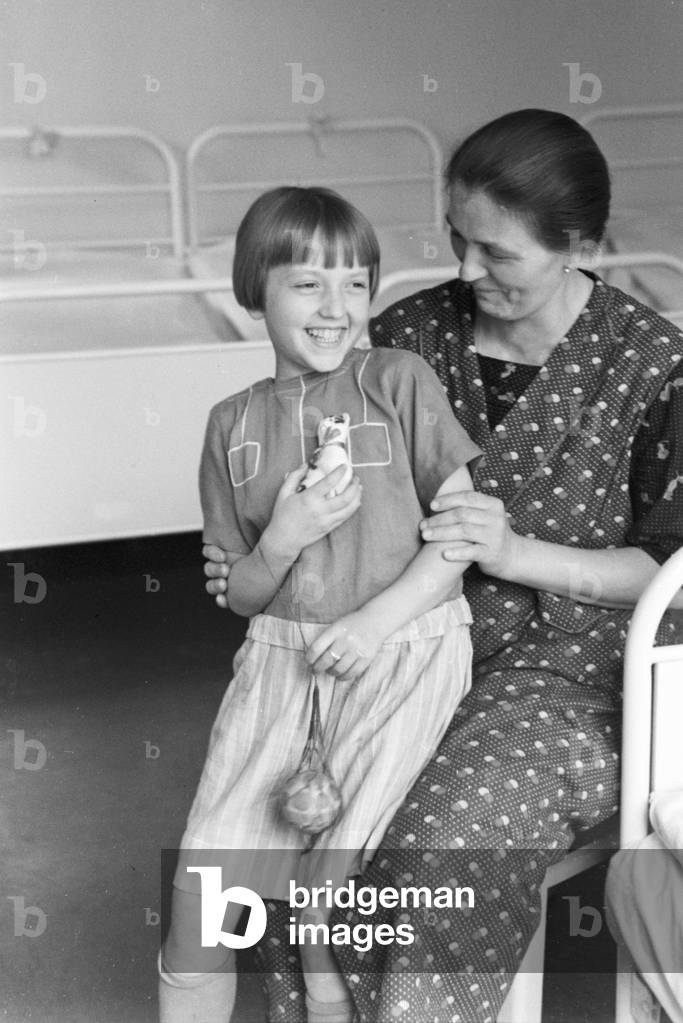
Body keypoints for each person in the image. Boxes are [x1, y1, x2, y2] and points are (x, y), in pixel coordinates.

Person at [203, 109, 683, 1022]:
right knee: (282, 828)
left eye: (495, 253)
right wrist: (252, 541)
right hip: (402, 647)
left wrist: (516, 554)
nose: (465, 271)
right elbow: (291, 442)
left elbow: (669, 568)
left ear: (579, 244)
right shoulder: (406, 337)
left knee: (432, 855)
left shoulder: (653, 368)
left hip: (569, 679)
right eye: (456, 239)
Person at [159, 185, 484, 1023]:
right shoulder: (229, 422)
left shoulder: (397, 379)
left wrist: (374, 623)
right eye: (307, 283)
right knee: (207, 875)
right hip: (277, 662)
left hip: (403, 650)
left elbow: (462, 537)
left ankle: (323, 975)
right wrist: (284, 536)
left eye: (354, 283)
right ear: (254, 288)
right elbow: (239, 594)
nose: (335, 306)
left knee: (329, 881)